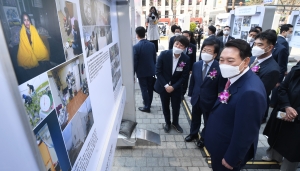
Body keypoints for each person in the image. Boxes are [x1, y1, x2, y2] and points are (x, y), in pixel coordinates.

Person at [205, 39, 267, 171]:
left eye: (230, 60)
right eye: (221, 60)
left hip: (226, 154)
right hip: (220, 143)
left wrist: (232, 158)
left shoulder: (250, 92)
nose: (224, 64)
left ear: (245, 61)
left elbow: (246, 132)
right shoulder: (236, 78)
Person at [185, 40, 226, 148]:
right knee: (195, 118)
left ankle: (204, 137)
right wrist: (190, 94)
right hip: (196, 97)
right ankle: (193, 133)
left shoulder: (219, 67)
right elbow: (193, 81)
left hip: (210, 100)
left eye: (209, 51)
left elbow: (221, 87)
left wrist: (219, 102)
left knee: (208, 121)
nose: (205, 53)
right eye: (204, 50)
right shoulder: (196, 65)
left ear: (215, 54)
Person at [262, 64, 300, 171]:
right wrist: (287, 106)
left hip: (297, 118)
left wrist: (295, 113)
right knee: (277, 136)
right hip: (285, 109)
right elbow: (282, 88)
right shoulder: (296, 70)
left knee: (293, 150)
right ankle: (274, 156)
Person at [154, 35, 190, 133]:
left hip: (176, 88)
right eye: (176, 44)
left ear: (185, 48)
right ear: (173, 43)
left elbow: (184, 76)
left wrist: (173, 87)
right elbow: (158, 71)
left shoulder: (185, 59)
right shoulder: (164, 54)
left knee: (176, 107)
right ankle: (167, 123)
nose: (178, 46)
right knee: (165, 106)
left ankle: (175, 123)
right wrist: (166, 86)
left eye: (181, 45)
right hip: (163, 86)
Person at [249, 31, 280, 124]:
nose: (255, 47)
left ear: (270, 47)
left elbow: (260, 93)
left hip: (251, 106)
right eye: (255, 44)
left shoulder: (272, 69)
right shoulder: (252, 59)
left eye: (260, 45)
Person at [133, 26, 156, 113]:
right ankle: (149, 103)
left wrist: (133, 74)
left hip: (141, 71)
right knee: (150, 88)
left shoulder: (136, 47)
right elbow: (154, 58)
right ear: (145, 33)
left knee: (144, 89)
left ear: (137, 35)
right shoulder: (152, 45)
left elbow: (135, 62)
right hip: (151, 70)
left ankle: (147, 106)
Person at [266, 29, 289, 107]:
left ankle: (270, 106)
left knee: (270, 93)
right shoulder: (265, 46)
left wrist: (278, 80)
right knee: (265, 94)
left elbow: (281, 66)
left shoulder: (281, 49)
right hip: (265, 74)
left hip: (274, 75)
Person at [181, 31, 197, 98]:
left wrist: (192, 69)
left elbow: (194, 58)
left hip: (187, 67)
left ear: (189, 37)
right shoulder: (179, 45)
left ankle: (182, 93)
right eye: (183, 36)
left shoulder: (192, 46)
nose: (185, 38)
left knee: (185, 80)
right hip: (179, 66)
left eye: (186, 36)